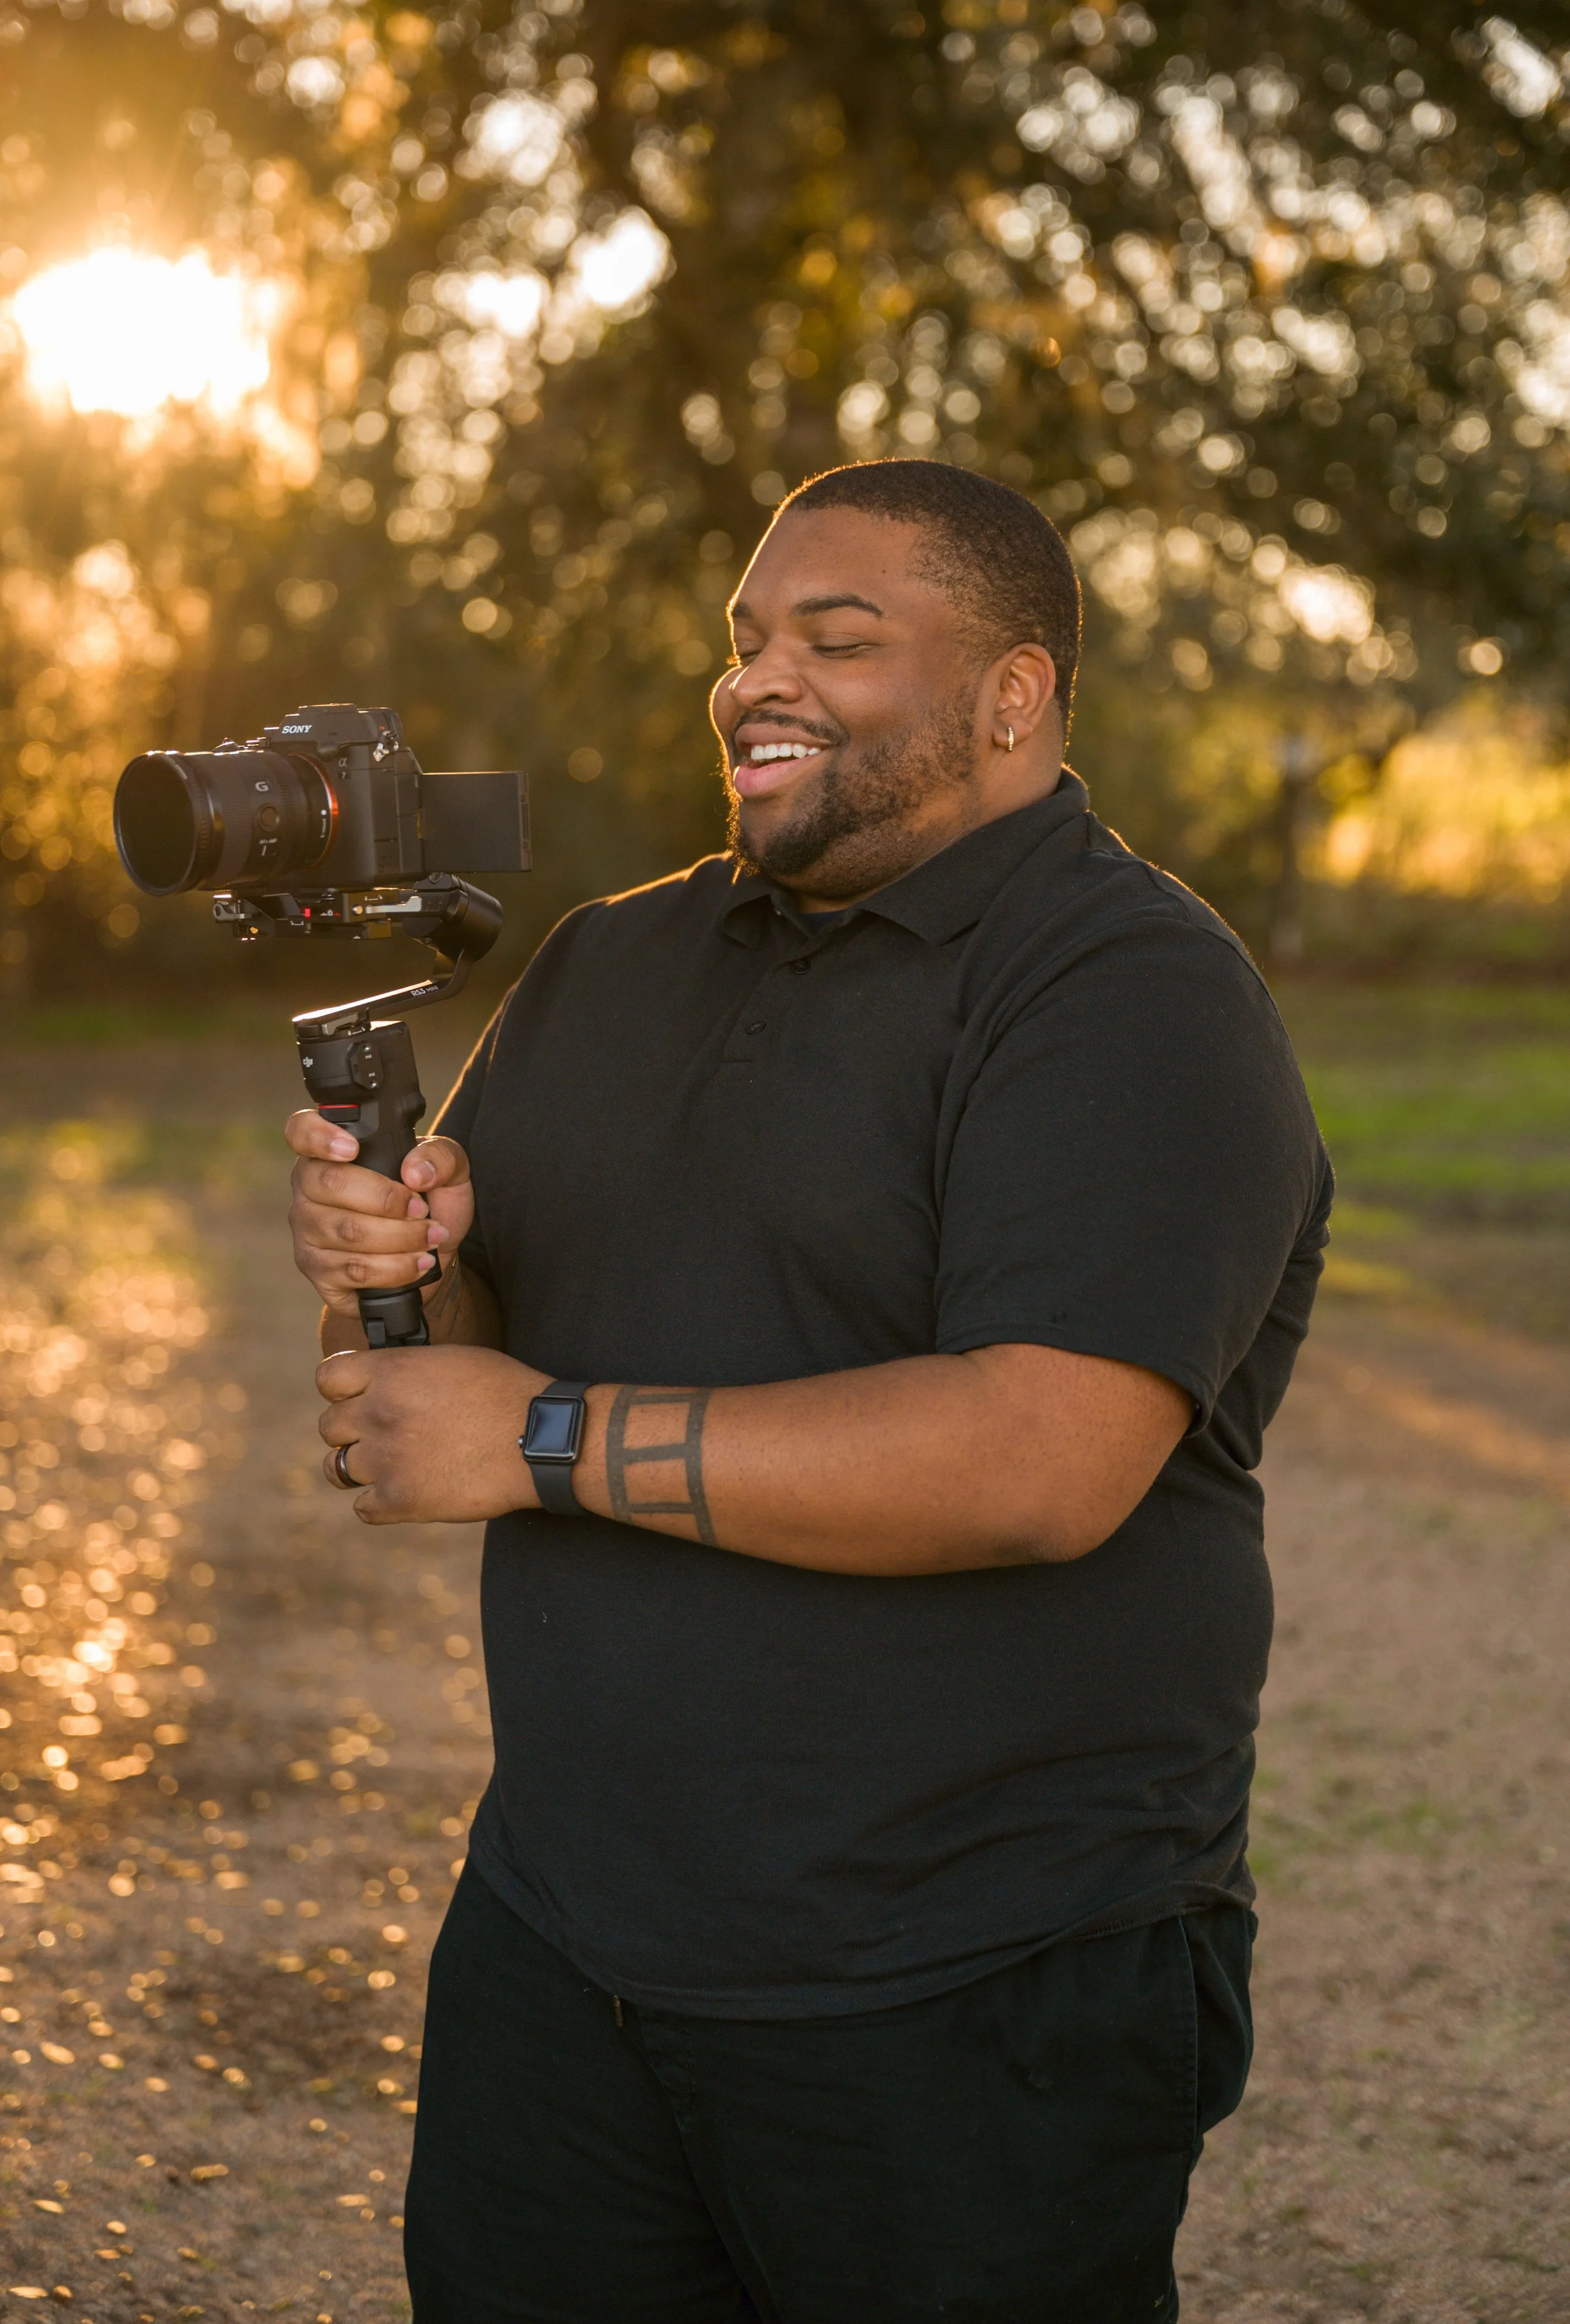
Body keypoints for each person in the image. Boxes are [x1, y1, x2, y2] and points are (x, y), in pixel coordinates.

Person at [286, 458, 1331, 2324]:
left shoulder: (1127, 992)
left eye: (836, 639)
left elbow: (1043, 1456)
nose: (757, 676)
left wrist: (538, 1436)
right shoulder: (614, 953)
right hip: (560, 1938)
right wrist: (394, 1263)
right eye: (747, 637)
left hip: (968, 1979)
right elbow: (427, 1382)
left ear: (1010, 695)